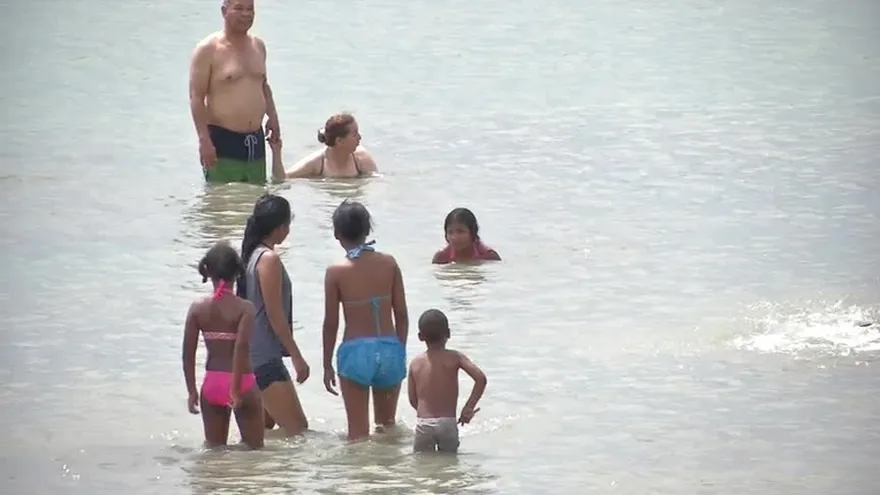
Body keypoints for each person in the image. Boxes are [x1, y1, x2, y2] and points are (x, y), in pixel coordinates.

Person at [321, 200, 409, 440]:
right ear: (368, 230)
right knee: (387, 430)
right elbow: (401, 314)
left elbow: (331, 323)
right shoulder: (389, 263)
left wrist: (327, 363)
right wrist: (400, 350)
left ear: (337, 234)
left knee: (358, 437)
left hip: (356, 352)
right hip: (389, 348)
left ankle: (360, 478)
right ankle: (388, 476)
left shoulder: (336, 272)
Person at [237, 194, 310, 436]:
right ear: (281, 227)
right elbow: (274, 313)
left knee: (264, 433)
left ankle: (248, 473)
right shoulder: (268, 259)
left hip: (252, 356)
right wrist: (297, 357)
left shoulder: (251, 255)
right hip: (265, 359)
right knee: (298, 431)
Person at [181, 241, 264, 449]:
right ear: (237, 273)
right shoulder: (245, 308)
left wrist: (191, 391)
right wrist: (235, 390)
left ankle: (216, 482)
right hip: (242, 382)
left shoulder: (197, 308)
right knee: (255, 454)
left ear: (208, 272)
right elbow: (241, 348)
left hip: (212, 384)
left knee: (214, 452)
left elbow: (187, 354)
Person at [189, 0, 281, 184]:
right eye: (239, 8)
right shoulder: (208, 49)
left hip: (255, 140)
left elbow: (263, 85)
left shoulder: (259, 46)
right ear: (224, 11)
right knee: (222, 203)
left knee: (255, 201)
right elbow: (196, 98)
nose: (246, 14)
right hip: (223, 140)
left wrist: (273, 117)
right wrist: (203, 140)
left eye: (250, 9)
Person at [407, 309, 487, 453]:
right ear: (448, 333)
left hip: (423, 424)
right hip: (448, 424)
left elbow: (413, 399)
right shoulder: (455, 357)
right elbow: (480, 379)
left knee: (422, 467)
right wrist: (468, 408)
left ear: (420, 336)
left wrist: (426, 416)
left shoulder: (415, 363)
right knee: (450, 464)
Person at [271, 113, 378, 180]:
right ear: (339, 141)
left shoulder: (361, 158)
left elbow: (376, 182)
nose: (360, 137)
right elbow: (282, 179)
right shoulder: (317, 163)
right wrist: (276, 152)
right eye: (355, 134)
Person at [432, 208, 501, 264]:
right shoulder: (441, 258)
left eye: (460, 231)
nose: (454, 237)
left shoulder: (489, 256)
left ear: (472, 233)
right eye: (450, 232)